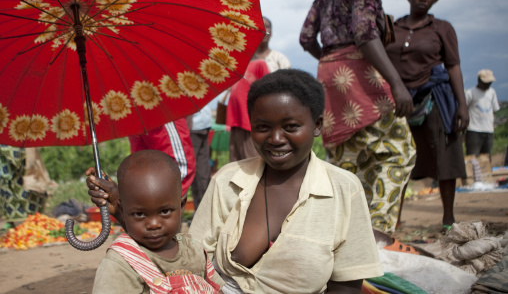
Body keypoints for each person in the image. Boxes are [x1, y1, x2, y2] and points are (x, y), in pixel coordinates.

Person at [87, 69, 383, 294]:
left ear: (316, 125)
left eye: (291, 127)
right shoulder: (229, 180)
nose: (276, 139)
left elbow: (347, 284)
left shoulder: (344, 190)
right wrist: (125, 212)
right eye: (262, 128)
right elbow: (185, 256)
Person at [299, 0, 417, 251]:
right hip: (358, 74)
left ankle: (346, 239)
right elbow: (365, 33)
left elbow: (306, 37)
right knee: (399, 152)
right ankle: (377, 237)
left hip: (329, 74)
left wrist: (332, 62)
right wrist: (396, 83)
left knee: (349, 162)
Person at [385, 0, 469, 229]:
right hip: (397, 102)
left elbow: (453, 66)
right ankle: (394, 220)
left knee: (444, 156)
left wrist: (462, 105)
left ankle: (448, 218)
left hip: (434, 99)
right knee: (397, 158)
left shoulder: (442, 28)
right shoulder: (393, 26)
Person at [92, 149, 224, 294]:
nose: (154, 224)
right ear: (122, 210)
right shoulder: (120, 264)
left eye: (165, 211)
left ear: (181, 206)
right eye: (140, 214)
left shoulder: (194, 251)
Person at [128, 118, 196, 197]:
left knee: (141, 169)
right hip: (156, 112)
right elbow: (182, 167)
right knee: (179, 169)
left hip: (138, 113)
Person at [226, 56, 269, 162]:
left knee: (252, 163)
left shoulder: (259, 64)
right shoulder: (236, 66)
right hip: (235, 123)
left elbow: (268, 91)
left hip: (249, 123)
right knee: (235, 164)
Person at [1, 146, 49, 226]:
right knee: (10, 196)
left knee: (28, 195)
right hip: (9, 172)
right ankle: (18, 224)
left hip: (24, 169)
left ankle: (32, 222)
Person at [465, 69, 500, 159]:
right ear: (479, 80)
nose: (488, 84)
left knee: (486, 159)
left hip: (488, 131)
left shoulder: (492, 93)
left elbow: (495, 109)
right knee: (472, 159)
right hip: (474, 130)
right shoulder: (470, 93)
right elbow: (464, 109)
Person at [189, 105, 213, 209]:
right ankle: (203, 211)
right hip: (203, 122)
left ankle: (201, 211)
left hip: (196, 125)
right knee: (201, 170)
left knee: (196, 170)